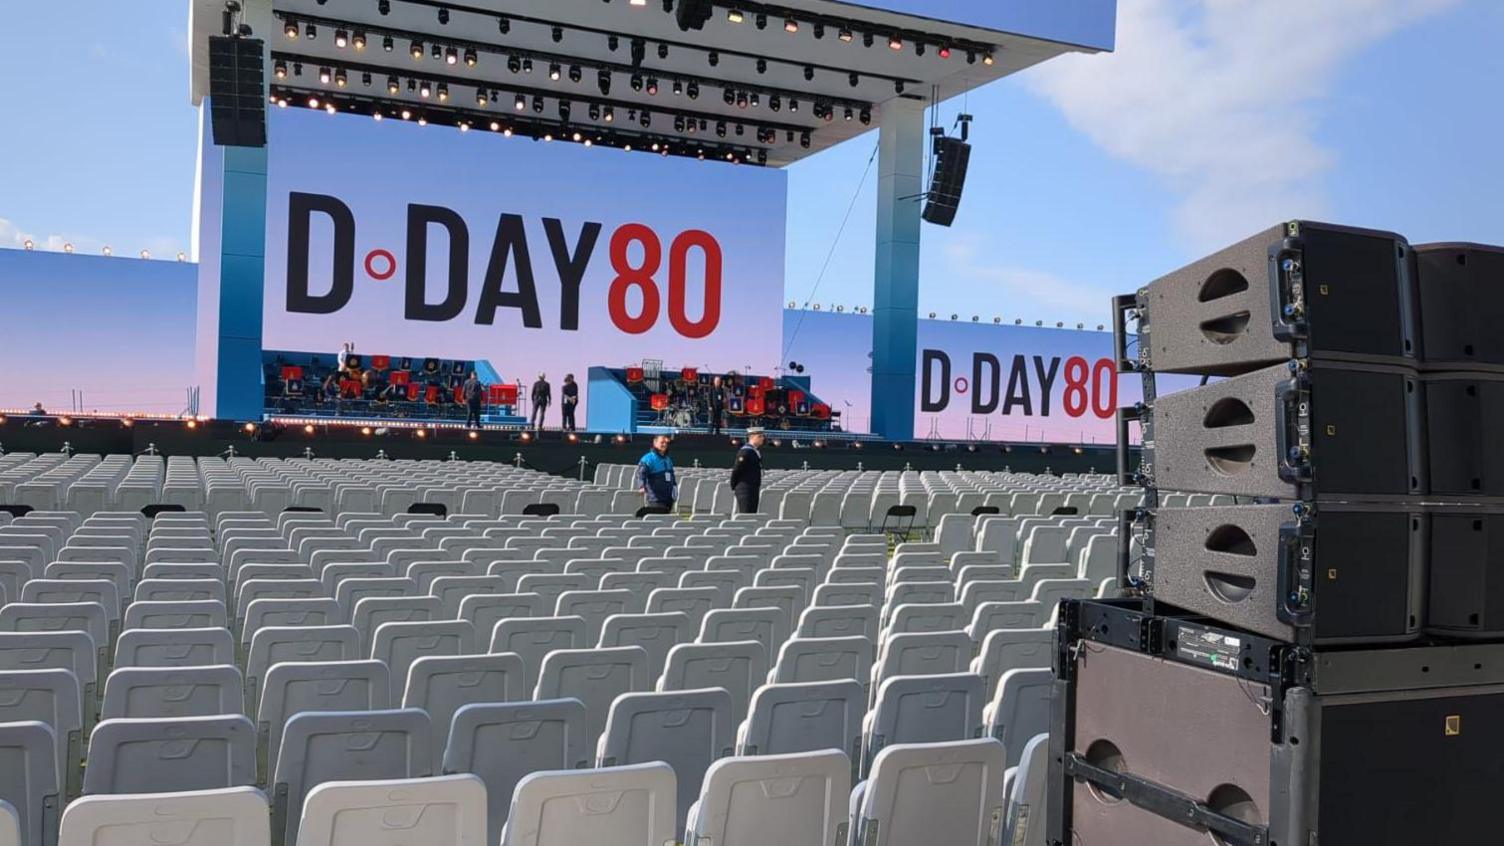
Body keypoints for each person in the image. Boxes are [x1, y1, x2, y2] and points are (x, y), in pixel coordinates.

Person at [635, 434, 678, 512]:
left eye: (666, 443)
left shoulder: (668, 459)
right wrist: (641, 486)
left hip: (668, 499)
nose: (664, 444)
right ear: (655, 443)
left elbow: (672, 477)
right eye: (662, 442)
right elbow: (640, 474)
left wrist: (675, 488)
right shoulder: (648, 459)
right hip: (655, 499)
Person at [729, 426, 765, 514]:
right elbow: (737, 470)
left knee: (752, 514)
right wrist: (734, 485)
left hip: (753, 487)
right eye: (759, 436)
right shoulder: (745, 452)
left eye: (762, 436)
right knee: (746, 514)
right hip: (745, 487)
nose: (762, 438)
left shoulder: (754, 451)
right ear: (751, 437)